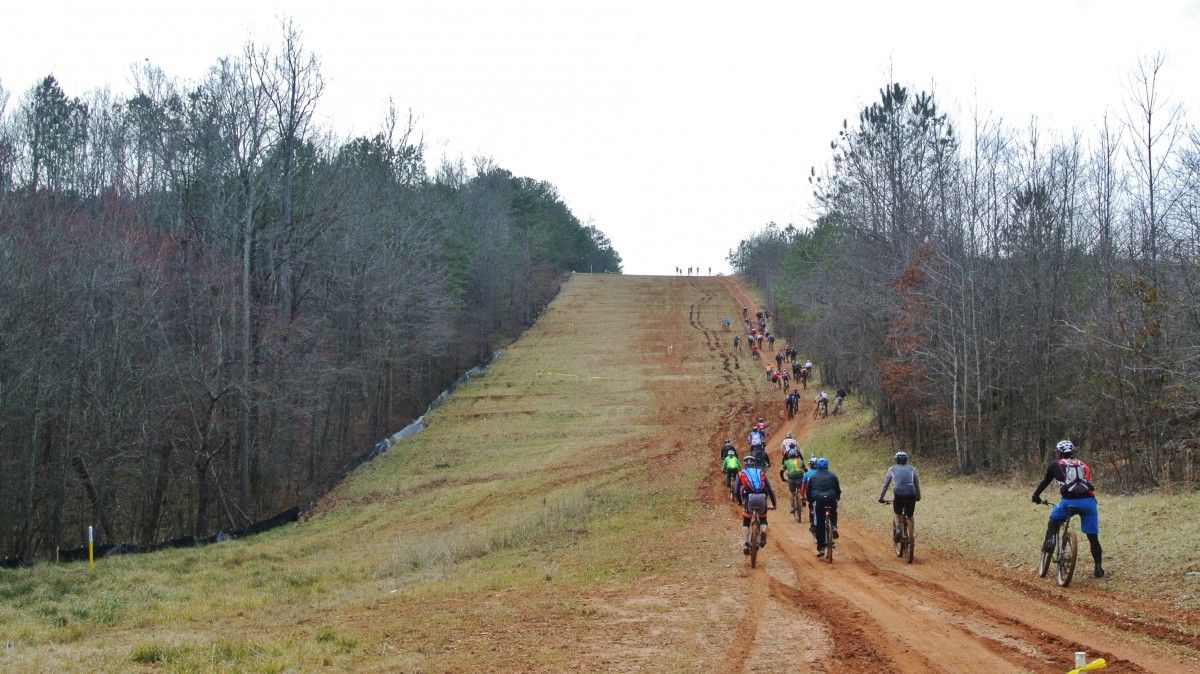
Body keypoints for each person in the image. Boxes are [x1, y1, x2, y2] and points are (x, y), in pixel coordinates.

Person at [1032, 440, 1105, 578]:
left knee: (1054, 519)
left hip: (1068, 502)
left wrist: (1036, 495)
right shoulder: (1083, 465)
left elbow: (1045, 482)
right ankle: (1098, 568)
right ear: (1072, 452)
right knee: (1093, 538)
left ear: (1059, 452)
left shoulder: (1055, 465)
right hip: (1088, 503)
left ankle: (1050, 541)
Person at [736, 454, 777, 554]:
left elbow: (736, 489)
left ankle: (746, 544)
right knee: (763, 519)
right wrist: (774, 504)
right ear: (754, 464)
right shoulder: (761, 472)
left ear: (745, 465)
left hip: (749, 499)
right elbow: (770, 490)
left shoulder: (741, 473)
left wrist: (740, 502)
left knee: (746, 521)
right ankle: (763, 531)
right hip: (762, 498)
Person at [878, 451, 921, 544]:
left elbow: (885, 485)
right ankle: (911, 537)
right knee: (910, 516)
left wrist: (881, 498)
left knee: (897, 513)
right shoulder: (912, 469)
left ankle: (898, 529)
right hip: (911, 493)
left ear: (896, 460)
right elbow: (916, 484)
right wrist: (918, 496)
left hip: (899, 494)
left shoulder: (892, 469)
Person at [806, 457, 841, 558]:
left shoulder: (812, 477)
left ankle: (821, 548)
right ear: (827, 466)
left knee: (819, 524)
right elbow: (838, 490)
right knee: (833, 512)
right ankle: (833, 526)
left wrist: (811, 502)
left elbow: (808, 492)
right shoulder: (833, 476)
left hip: (818, 499)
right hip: (831, 497)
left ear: (816, 465)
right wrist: (836, 499)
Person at [780, 446, 806, 512]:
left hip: (792, 478)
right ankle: (803, 500)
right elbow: (806, 470)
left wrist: (783, 479)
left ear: (789, 455)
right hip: (800, 477)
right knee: (802, 488)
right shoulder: (800, 461)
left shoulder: (787, 462)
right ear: (797, 455)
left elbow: (781, 472)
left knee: (791, 492)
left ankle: (792, 507)